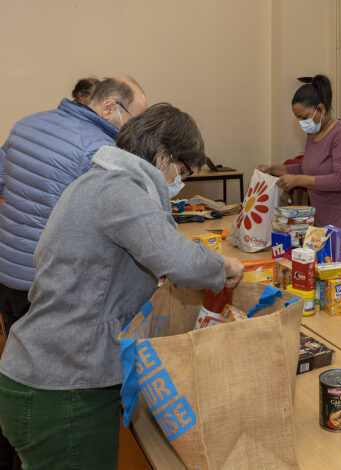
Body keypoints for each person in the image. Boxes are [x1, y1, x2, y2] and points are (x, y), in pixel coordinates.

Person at [0, 103, 245, 469]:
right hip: (65, 388)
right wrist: (222, 265)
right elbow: (179, 262)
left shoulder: (94, 181)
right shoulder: (120, 189)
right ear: (163, 157)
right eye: (184, 170)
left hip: (48, 372)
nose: (181, 183)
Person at [0, 76, 147, 469]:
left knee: (20, 363)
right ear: (110, 108)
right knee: (57, 387)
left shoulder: (26, 124)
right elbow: (109, 219)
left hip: (8, 274)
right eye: (135, 117)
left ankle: (18, 453)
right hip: (49, 282)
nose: (134, 129)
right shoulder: (99, 150)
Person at [257, 75, 341, 249]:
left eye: (304, 116)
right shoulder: (313, 134)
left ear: (321, 109)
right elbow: (304, 168)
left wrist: (298, 180)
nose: (301, 122)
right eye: (298, 118)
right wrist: (272, 168)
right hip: (323, 219)